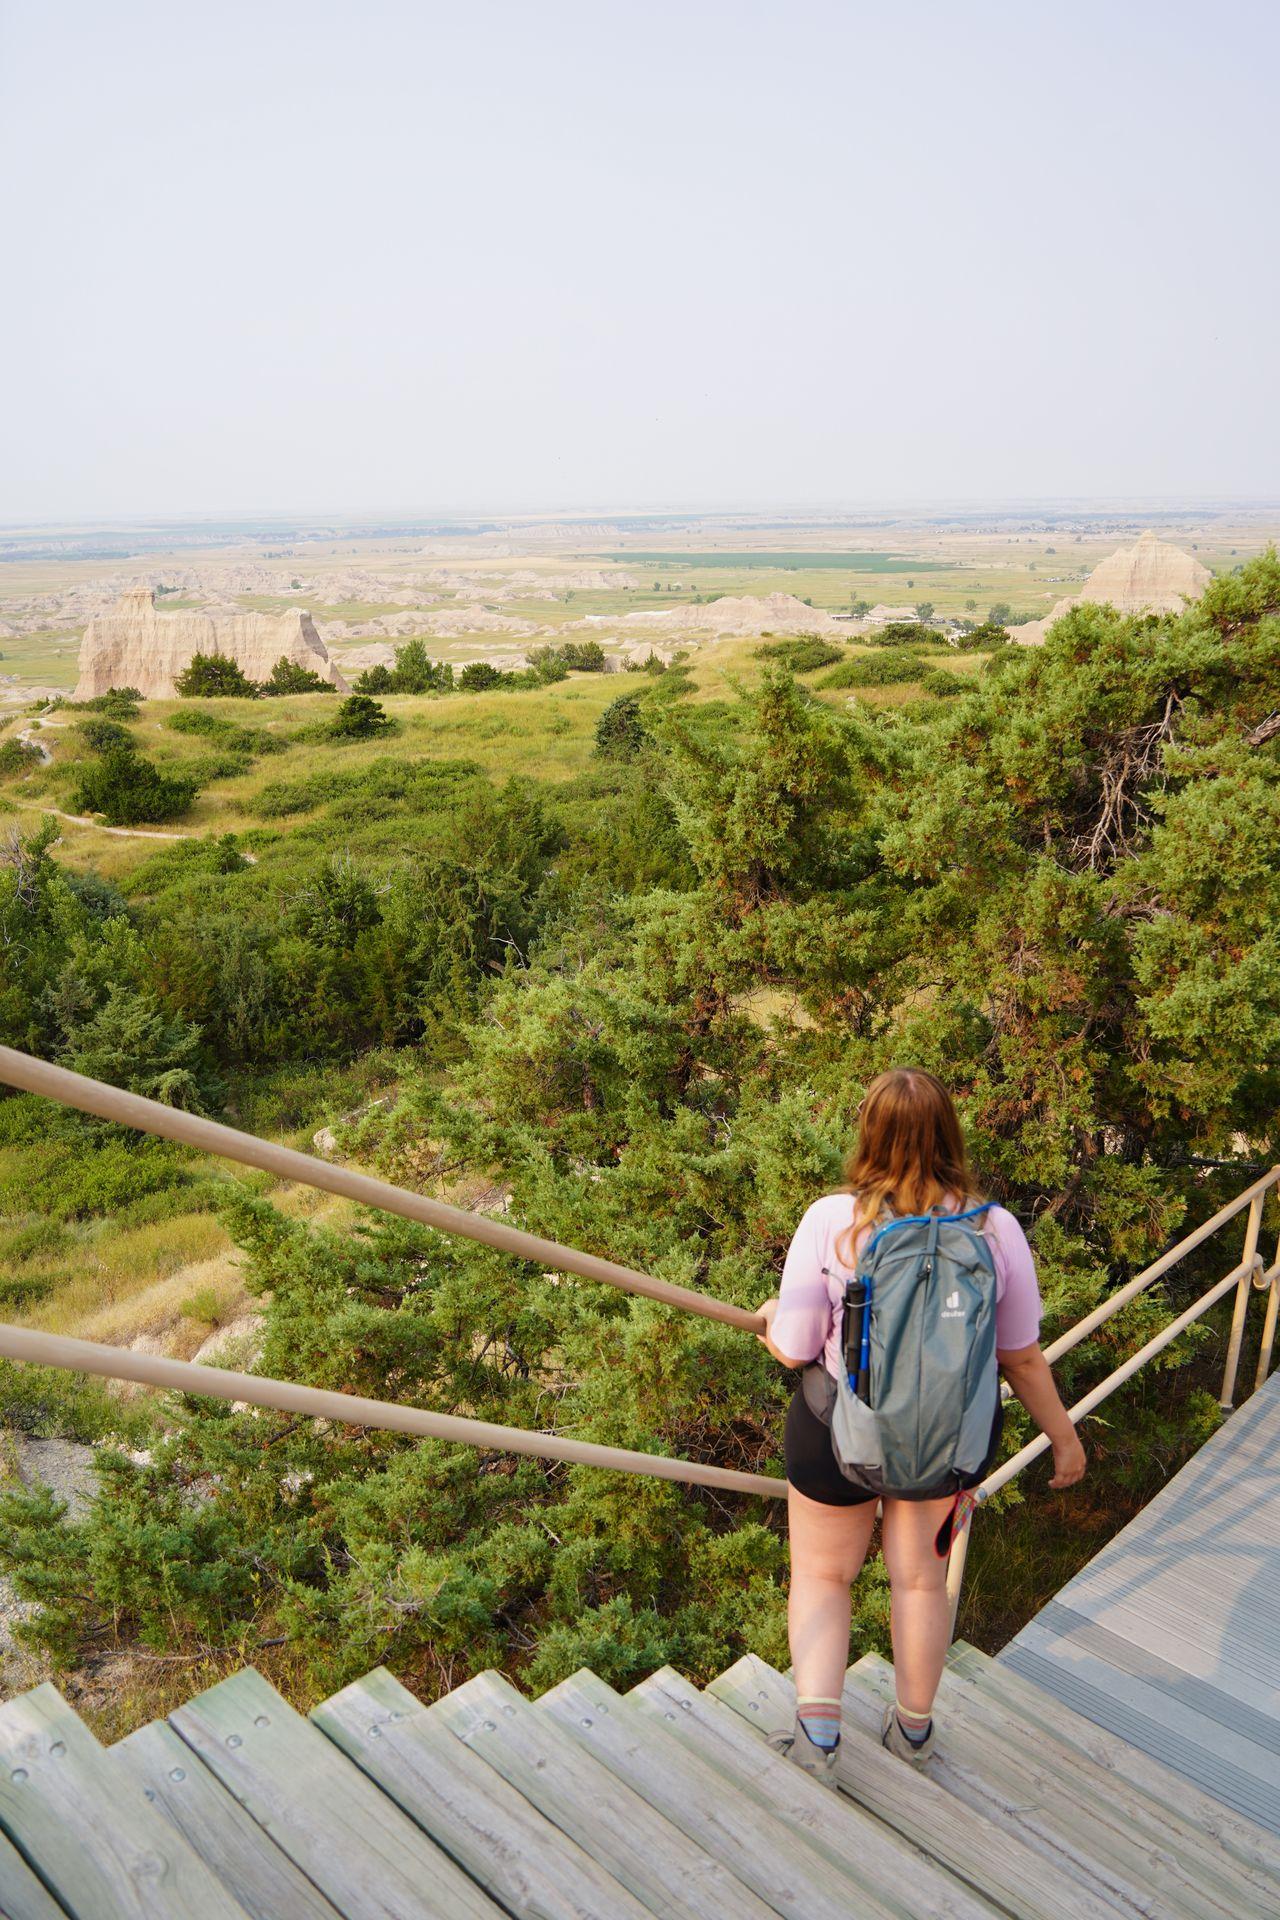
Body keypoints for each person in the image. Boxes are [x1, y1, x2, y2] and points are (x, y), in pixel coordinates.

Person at [756, 1067, 1086, 1785]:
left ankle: (817, 1742)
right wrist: (1062, 1436)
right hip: (947, 1443)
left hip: (836, 1435)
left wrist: (767, 1328)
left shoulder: (829, 1222)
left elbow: (793, 1346)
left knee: (821, 1573)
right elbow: (1021, 1356)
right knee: (919, 1583)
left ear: (868, 1131)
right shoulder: (994, 1229)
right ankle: (912, 1734)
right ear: (950, 1134)